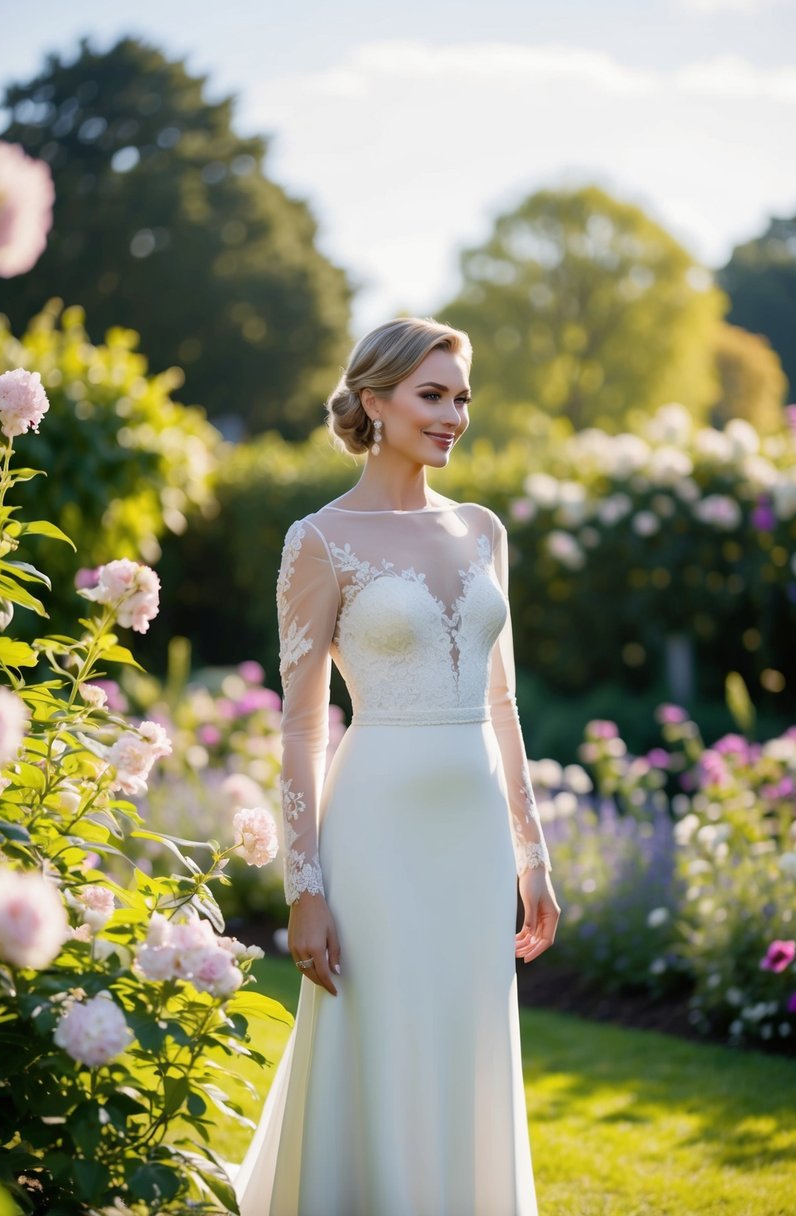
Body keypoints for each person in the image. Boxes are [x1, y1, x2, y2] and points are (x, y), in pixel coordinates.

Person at [234, 316, 560, 1216]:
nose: (453, 414)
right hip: (375, 828)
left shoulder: (483, 530)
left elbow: (503, 706)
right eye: (432, 395)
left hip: (474, 836)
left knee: (466, 1033)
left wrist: (532, 858)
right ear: (374, 402)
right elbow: (301, 725)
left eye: (460, 397)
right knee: (381, 1032)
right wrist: (303, 884)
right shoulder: (320, 539)